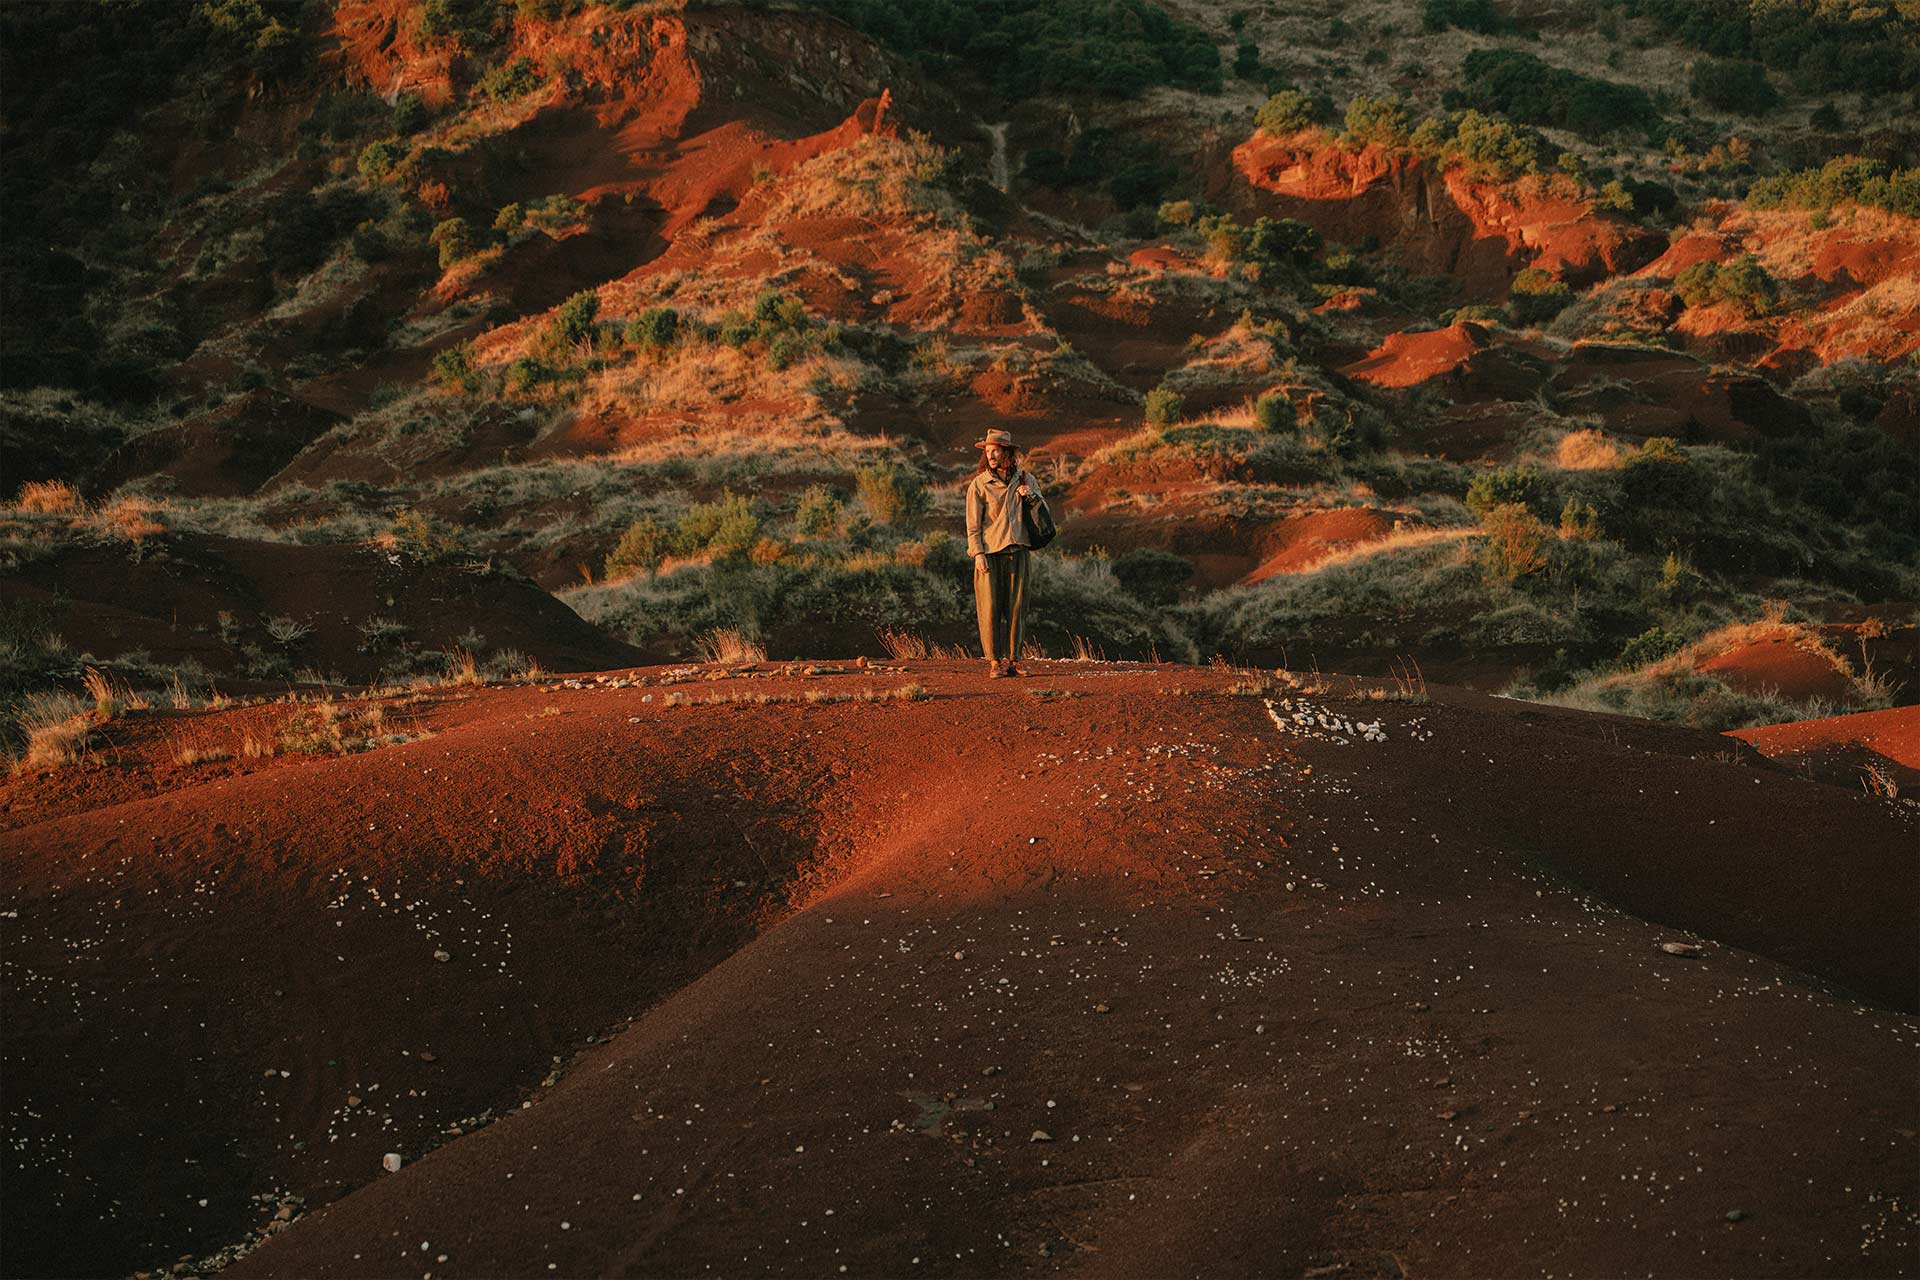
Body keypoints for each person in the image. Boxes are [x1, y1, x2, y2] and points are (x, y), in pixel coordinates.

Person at [965, 428, 1048, 678]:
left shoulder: (1026, 479)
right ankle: (994, 662)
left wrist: (1029, 496)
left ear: (1007, 453)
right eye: (988, 451)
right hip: (989, 554)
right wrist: (977, 554)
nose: (991, 455)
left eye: (996, 451)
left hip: (1019, 552)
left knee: (1017, 609)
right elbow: (972, 525)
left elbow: (1042, 508)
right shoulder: (979, 484)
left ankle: (1014, 660)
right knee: (989, 609)